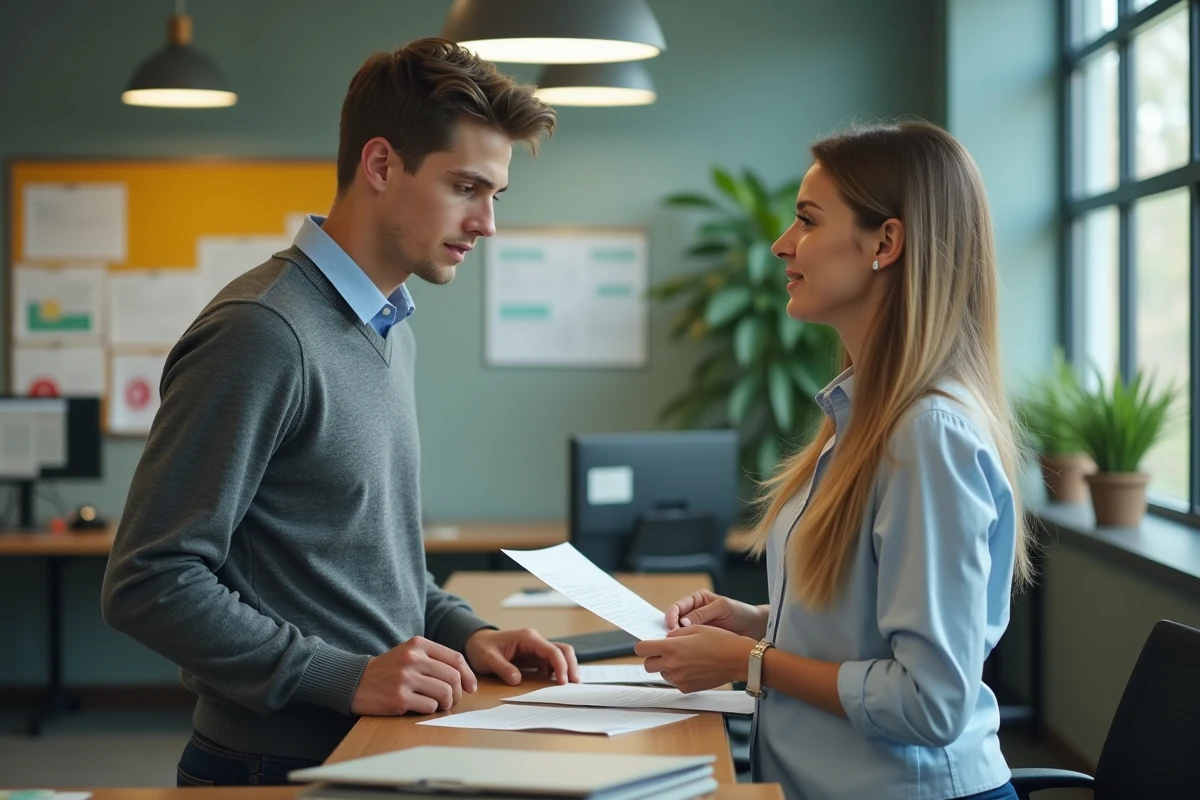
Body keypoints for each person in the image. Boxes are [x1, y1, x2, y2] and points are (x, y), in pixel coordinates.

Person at [102, 38, 579, 788]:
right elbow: (148, 581)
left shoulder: (389, 327)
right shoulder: (262, 332)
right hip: (274, 764)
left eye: (496, 195)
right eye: (465, 187)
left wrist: (466, 631)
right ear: (381, 164)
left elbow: (367, 564)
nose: (487, 223)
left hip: (375, 748)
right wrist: (342, 675)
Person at [635, 121, 1033, 800]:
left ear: (885, 242)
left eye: (808, 220)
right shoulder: (864, 415)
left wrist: (753, 660)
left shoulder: (927, 435)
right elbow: (872, 619)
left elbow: (930, 702)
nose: (782, 244)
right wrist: (758, 621)